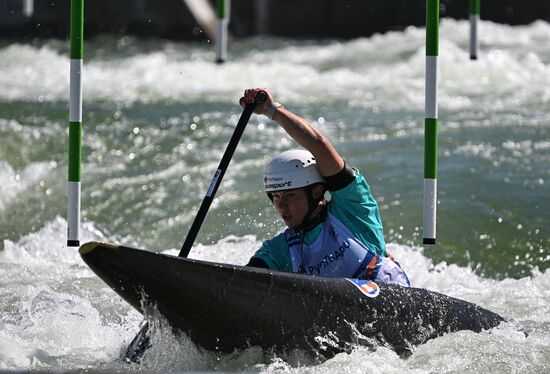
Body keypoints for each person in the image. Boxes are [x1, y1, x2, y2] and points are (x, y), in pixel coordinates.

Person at [241, 88, 410, 287]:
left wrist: (272, 110)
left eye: (290, 195)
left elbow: (319, 146)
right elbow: (246, 283)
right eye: (276, 197)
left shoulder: (352, 209)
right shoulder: (281, 249)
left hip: (391, 304)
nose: (282, 206)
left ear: (316, 192)